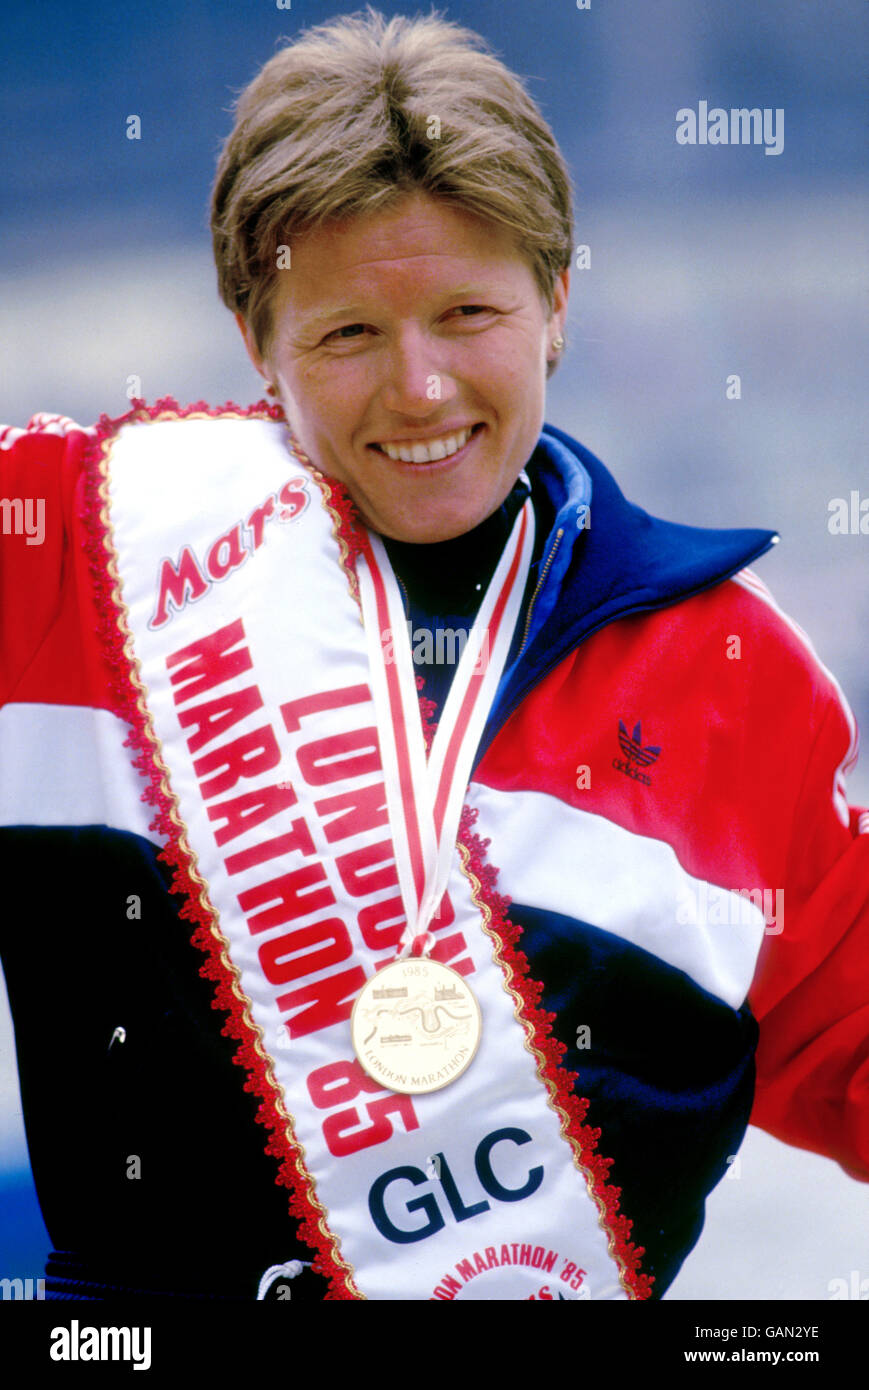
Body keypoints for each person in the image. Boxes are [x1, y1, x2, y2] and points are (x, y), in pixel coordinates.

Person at [0, 9, 866, 1303]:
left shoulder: (734, 678)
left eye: (468, 312)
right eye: (348, 333)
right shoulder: (72, 550)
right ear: (256, 337)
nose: (419, 389)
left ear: (557, 300)